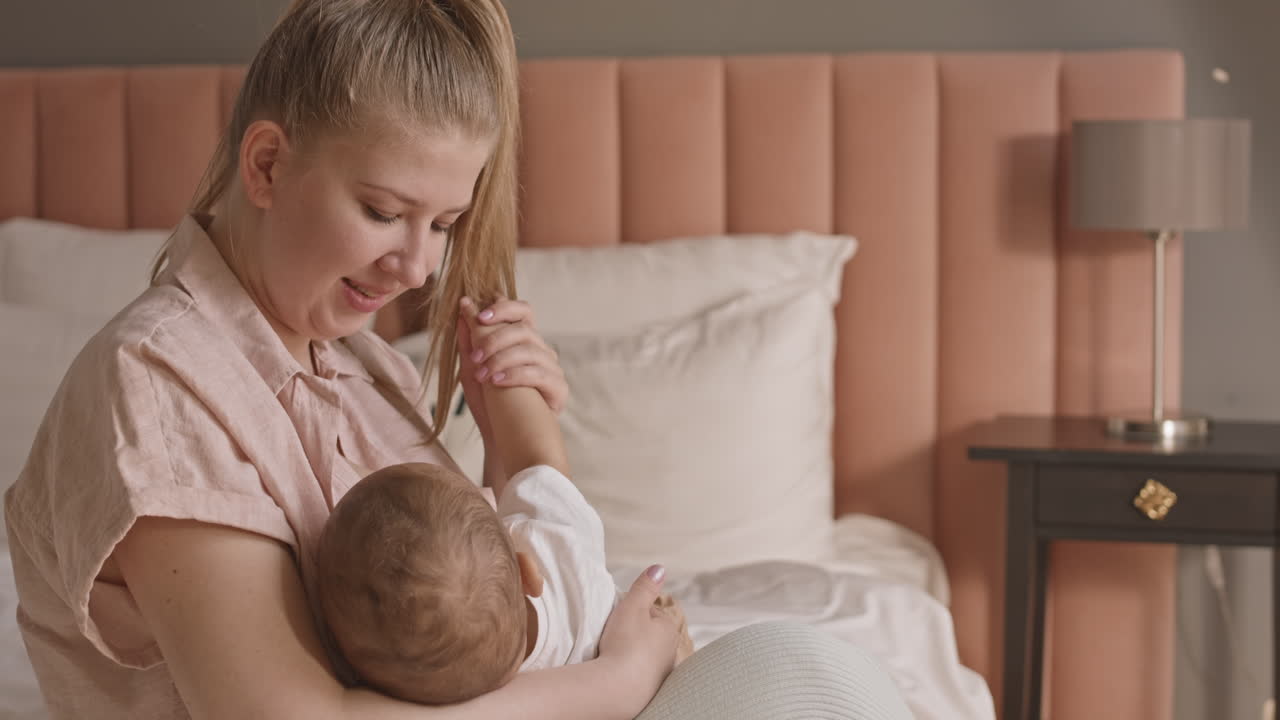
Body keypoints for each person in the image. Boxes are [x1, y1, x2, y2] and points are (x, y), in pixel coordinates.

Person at [5, 1, 914, 718]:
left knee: (813, 679)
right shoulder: (161, 384)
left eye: (443, 224)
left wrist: (520, 444)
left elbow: (481, 635)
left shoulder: (365, 371)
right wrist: (619, 680)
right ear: (270, 165)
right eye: (383, 210)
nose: (420, 265)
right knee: (805, 682)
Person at [315, 299, 693, 705]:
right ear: (527, 570)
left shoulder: (457, 693)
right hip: (652, 638)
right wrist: (502, 372)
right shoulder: (556, 553)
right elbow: (537, 459)